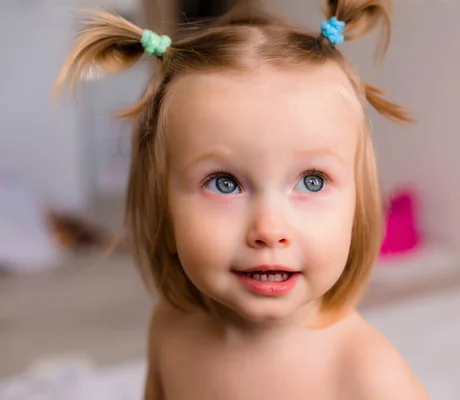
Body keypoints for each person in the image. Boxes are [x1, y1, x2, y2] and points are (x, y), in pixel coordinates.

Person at [55, 0, 429, 398]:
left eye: (313, 182)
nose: (269, 230)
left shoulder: (366, 373)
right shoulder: (172, 327)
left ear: (357, 212)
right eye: (224, 183)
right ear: (164, 209)